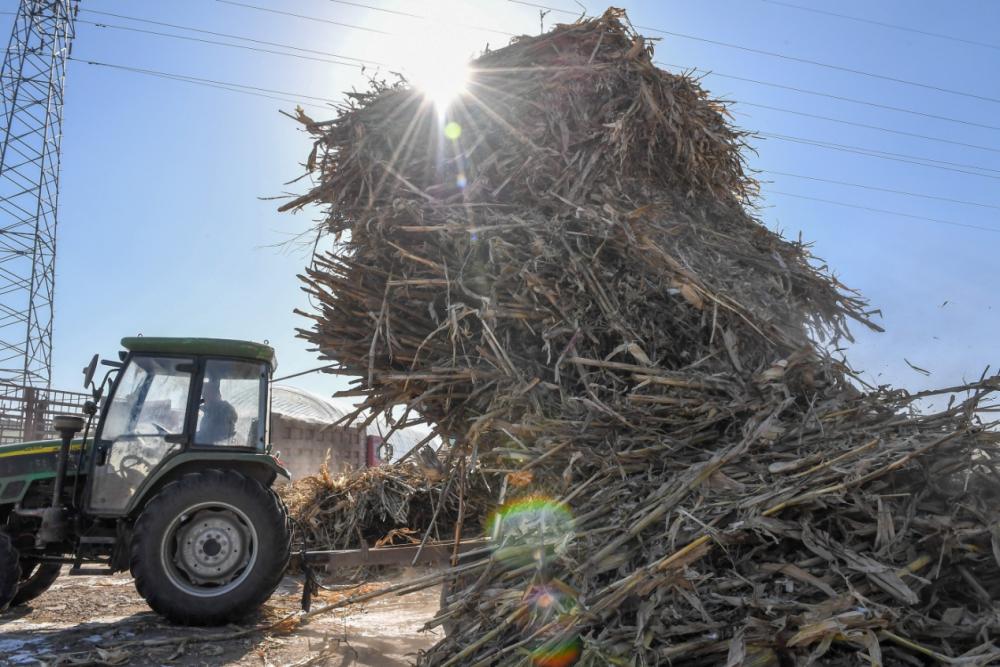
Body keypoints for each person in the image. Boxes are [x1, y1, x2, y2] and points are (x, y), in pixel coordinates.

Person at [196, 379, 237, 444]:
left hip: (217, 448)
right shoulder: (210, 410)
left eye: (206, 394)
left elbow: (215, 434)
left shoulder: (223, 409)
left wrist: (196, 437)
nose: (203, 397)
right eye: (203, 394)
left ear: (216, 394)